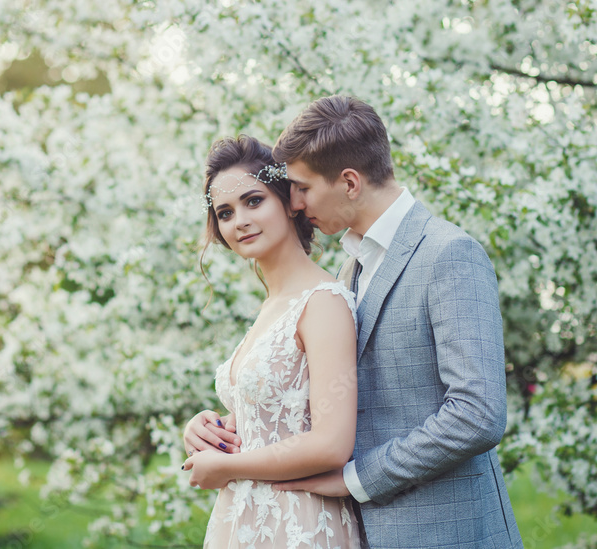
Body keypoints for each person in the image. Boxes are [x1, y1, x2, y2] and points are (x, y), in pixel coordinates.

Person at [186, 96, 524, 549]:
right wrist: (225, 427)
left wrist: (355, 478)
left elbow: (478, 415)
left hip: (446, 532)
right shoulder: (350, 272)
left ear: (348, 181)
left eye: (301, 188)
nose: (296, 202)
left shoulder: (448, 254)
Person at [181, 135, 362, 548]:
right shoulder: (272, 307)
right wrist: (210, 430)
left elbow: (332, 444)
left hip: (299, 524)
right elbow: (273, 420)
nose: (239, 220)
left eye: (253, 201)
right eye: (225, 212)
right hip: (243, 521)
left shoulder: (323, 301)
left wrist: (229, 469)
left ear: (287, 200)